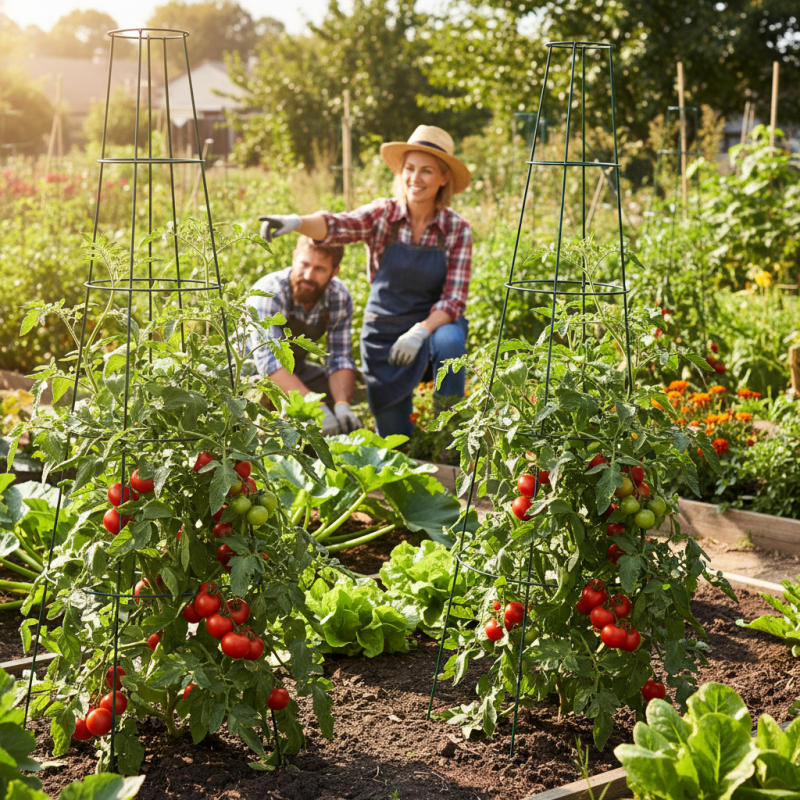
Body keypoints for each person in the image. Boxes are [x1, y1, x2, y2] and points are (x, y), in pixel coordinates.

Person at [259, 125, 472, 438]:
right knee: (393, 442)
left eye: (427, 171)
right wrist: (296, 223)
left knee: (450, 341)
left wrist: (419, 331)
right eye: (409, 169)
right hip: (384, 332)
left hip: (431, 328)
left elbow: (454, 300)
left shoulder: (456, 229)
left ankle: (450, 434)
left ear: (444, 178)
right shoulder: (384, 215)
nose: (415, 178)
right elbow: (339, 225)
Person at [245, 235, 362, 436]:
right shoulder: (269, 293)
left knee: (333, 393)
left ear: (334, 272)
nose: (308, 275)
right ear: (294, 257)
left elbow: (339, 357)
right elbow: (269, 362)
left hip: (296, 369)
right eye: (304, 264)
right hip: (248, 374)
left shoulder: (338, 296)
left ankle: (323, 451)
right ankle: (268, 441)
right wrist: (314, 406)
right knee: (264, 405)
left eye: (319, 269)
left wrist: (341, 403)